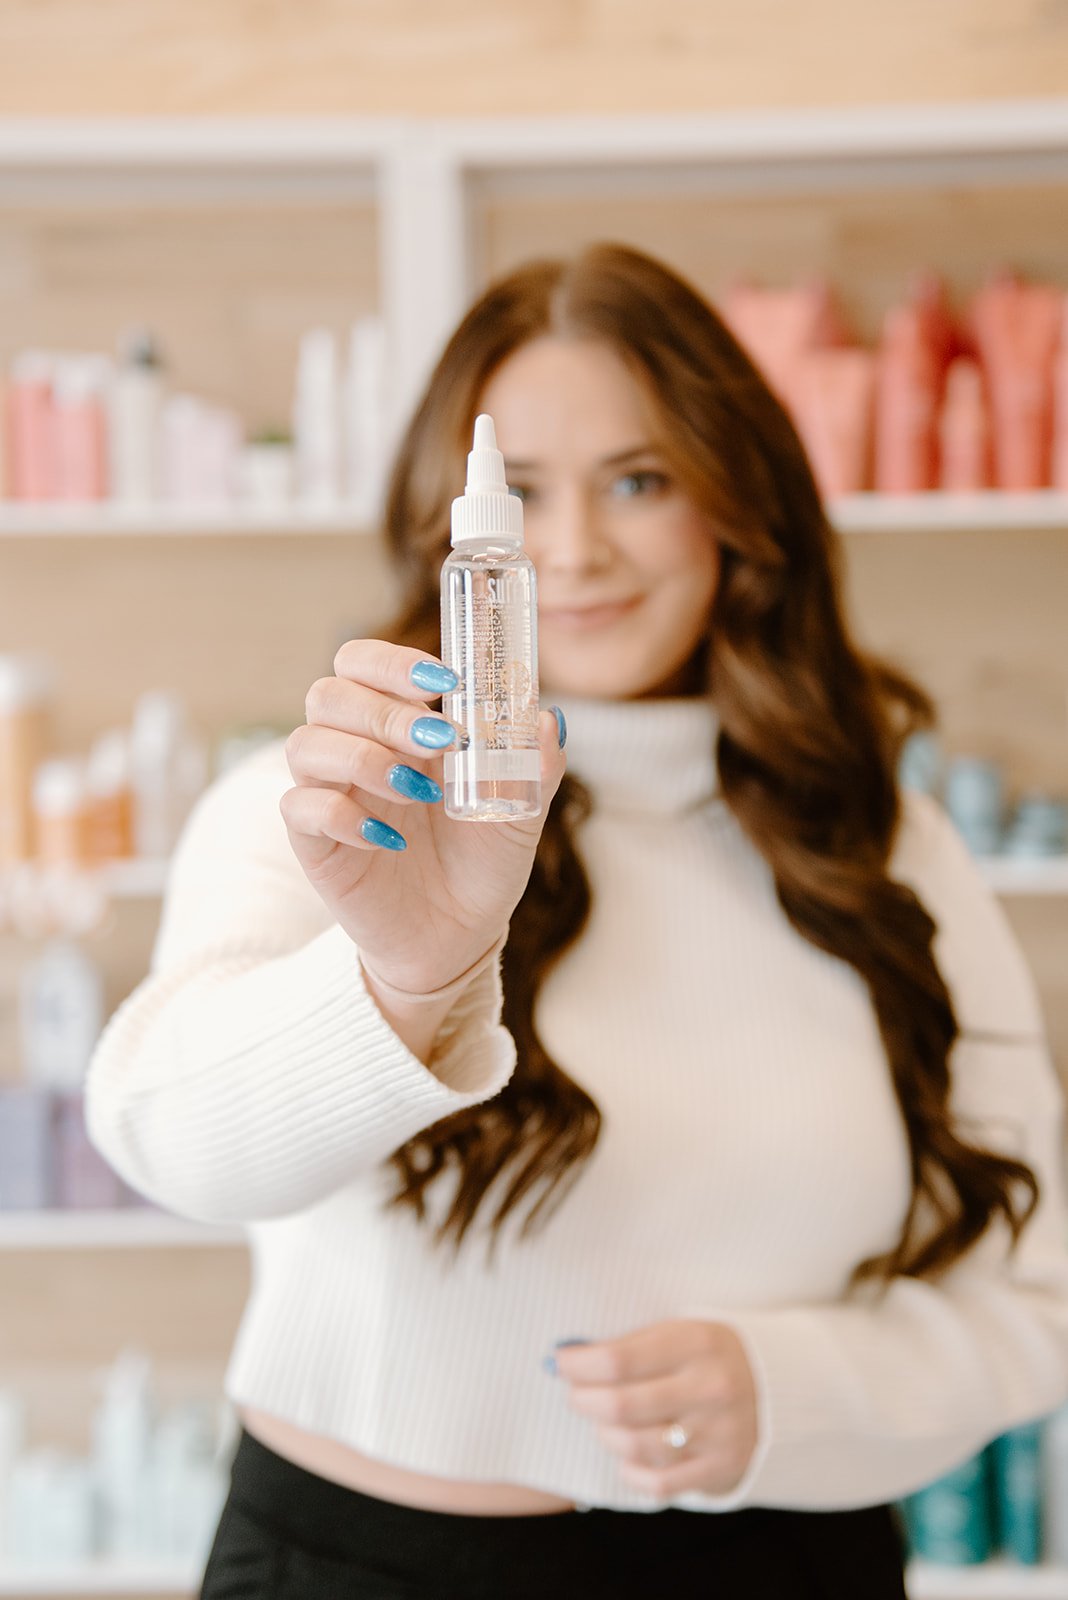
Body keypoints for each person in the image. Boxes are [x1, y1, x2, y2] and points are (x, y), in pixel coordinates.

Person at [86, 243, 1068, 1600]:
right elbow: (169, 1141)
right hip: (369, 1565)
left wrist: (798, 1391)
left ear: (740, 506)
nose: (574, 550)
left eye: (642, 481)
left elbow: (1036, 1296)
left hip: (786, 1563)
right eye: (522, 494)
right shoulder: (322, 808)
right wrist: (409, 972)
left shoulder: (883, 847)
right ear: (451, 522)